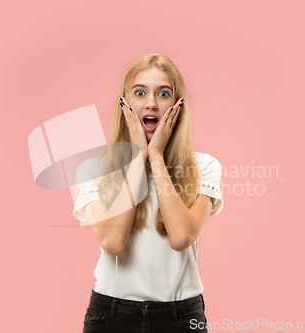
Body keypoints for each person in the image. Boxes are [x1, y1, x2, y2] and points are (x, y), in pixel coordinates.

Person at [72, 53, 224, 333]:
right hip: (112, 314)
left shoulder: (204, 166)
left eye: (163, 93)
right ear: (125, 103)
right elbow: (112, 242)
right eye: (140, 92)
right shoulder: (93, 169)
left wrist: (155, 157)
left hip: (180, 317)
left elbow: (181, 238)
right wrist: (137, 156)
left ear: (177, 105)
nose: (152, 103)